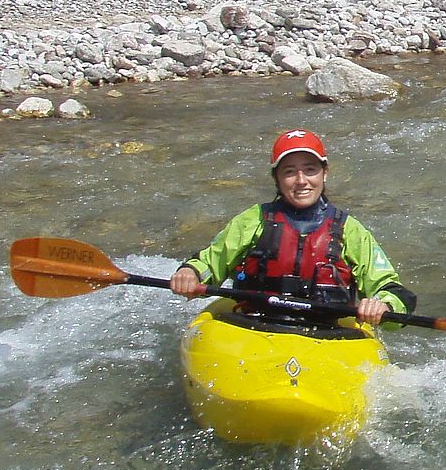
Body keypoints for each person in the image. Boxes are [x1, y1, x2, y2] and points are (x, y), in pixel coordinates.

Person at [168, 129, 417, 326]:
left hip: (326, 332)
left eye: (310, 170)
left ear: (324, 173)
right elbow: (210, 263)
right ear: (276, 178)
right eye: (289, 172)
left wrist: (384, 304)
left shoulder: (349, 230)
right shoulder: (253, 220)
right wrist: (190, 273)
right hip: (251, 323)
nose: (301, 181)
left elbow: (390, 289)